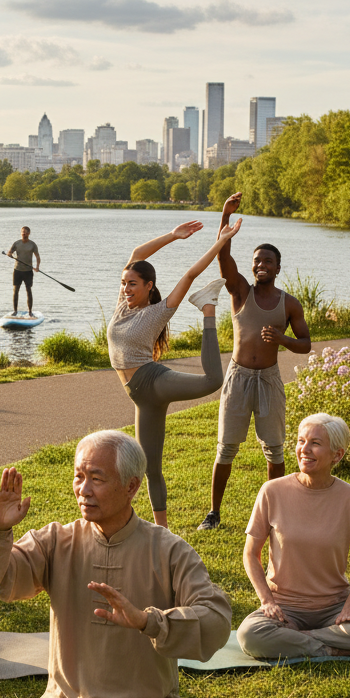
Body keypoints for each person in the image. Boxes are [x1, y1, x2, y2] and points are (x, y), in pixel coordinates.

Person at [0, 430, 231, 698]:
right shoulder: (56, 541)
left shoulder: (169, 550)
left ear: (131, 486)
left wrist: (148, 621)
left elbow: (215, 619)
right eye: (79, 476)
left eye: (97, 478)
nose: (83, 490)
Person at [108, 220, 241, 527]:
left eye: (132, 284)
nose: (126, 289)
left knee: (213, 381)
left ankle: (208, 308)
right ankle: (162, 531)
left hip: (153, 382)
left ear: (149, 286)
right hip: (141, 399)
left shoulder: (157, 312)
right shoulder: (123, 306)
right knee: (150, 468)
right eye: (124, 283)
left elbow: (190, 274)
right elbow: (137, 253)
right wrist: (172, 236)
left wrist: (221, 242)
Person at [237, 413, 350, 658]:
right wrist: (267, 601)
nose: (304, 449)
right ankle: (332, 648)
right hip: (284, 610)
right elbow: (251, 554)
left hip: (334, 609)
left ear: (337, 455)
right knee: (250, 635)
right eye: (301, 441)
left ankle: (302, 640)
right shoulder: (272, 491)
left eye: (315, 443)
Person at [197, 193, 311, 531]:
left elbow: (305, 344)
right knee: (226, 448)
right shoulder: (240, 291)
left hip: (269, 380)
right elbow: (223, 256)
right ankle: (214, 513)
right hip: (238, 378)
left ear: (277, 268)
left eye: (268, 261)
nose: (261, 265)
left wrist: (282, 339)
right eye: (257, 260)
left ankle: (275, 515)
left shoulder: (290, 304)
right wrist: (224, 217)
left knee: (274, 450)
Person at [7, 226, 40, 316]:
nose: (23, 234)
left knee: (28, 290)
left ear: (29, 233)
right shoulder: (17, 243)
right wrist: (9, 254)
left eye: (25, 232)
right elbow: (9, 252)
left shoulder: (32, 244)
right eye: (22, 232)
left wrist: (37, 267)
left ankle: (30, 312)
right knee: (15, 290)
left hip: (28, 271)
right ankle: (15, 311)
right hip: (17, 270)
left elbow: (37, 257)